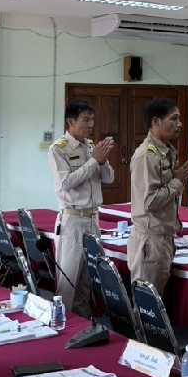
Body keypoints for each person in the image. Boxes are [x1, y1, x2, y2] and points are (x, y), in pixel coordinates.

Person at [48, 100, 115, 315]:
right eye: (86, 120)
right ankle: (63, 323)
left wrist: (102, 161)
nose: (91, 124)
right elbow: (65, 183)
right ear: (71, 121)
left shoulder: (92, 147)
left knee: (89, 278)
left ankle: (84, 322)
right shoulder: (59, 149)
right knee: (69, 279)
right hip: (73, 220)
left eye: (92, 119)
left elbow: (109, 178)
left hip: (93, 219)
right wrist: (94, 161)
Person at [129, 99, 188, 293]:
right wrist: (178, 180)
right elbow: (150, 201)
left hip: (163, 238)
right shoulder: (147, 155)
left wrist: (177, 179)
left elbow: (166, 192)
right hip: (151, 240)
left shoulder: (167, 151)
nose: (179, 124)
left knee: (157, 302)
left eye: (179, 119)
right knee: (147, 305)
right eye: (173, 119)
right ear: (156, 122)